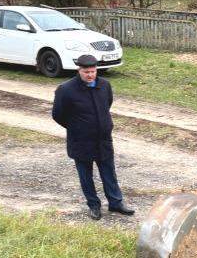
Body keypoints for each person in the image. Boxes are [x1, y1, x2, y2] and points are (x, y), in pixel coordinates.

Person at [52, 54, 135, 220]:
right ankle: (94, 205)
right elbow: (57, 114)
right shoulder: (66, 90)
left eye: (92, 71)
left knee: (109, 172)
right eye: (86, 72)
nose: (90, 75)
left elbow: (107, 105)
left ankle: (115, 203)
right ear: (79, 70)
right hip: (80, 142)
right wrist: (77, 128)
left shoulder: (105, 86)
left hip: (103, 140)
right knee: (85, 175)